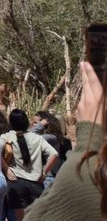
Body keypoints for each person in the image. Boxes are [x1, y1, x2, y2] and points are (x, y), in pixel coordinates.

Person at [26, 60, 105, 220]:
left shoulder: (48, 138)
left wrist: (89, 136)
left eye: (36, 122)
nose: (33, 125)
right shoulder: (64, 139)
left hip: (54, 178)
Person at [1, 109, 59, 220]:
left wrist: (6, 169)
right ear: (26, 122)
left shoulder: (7, 136)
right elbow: (54, 155)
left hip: (16, 181)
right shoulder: (37, 138)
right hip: (36, 181)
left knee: (20, 217)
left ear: (11, 122)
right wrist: (44, 172)